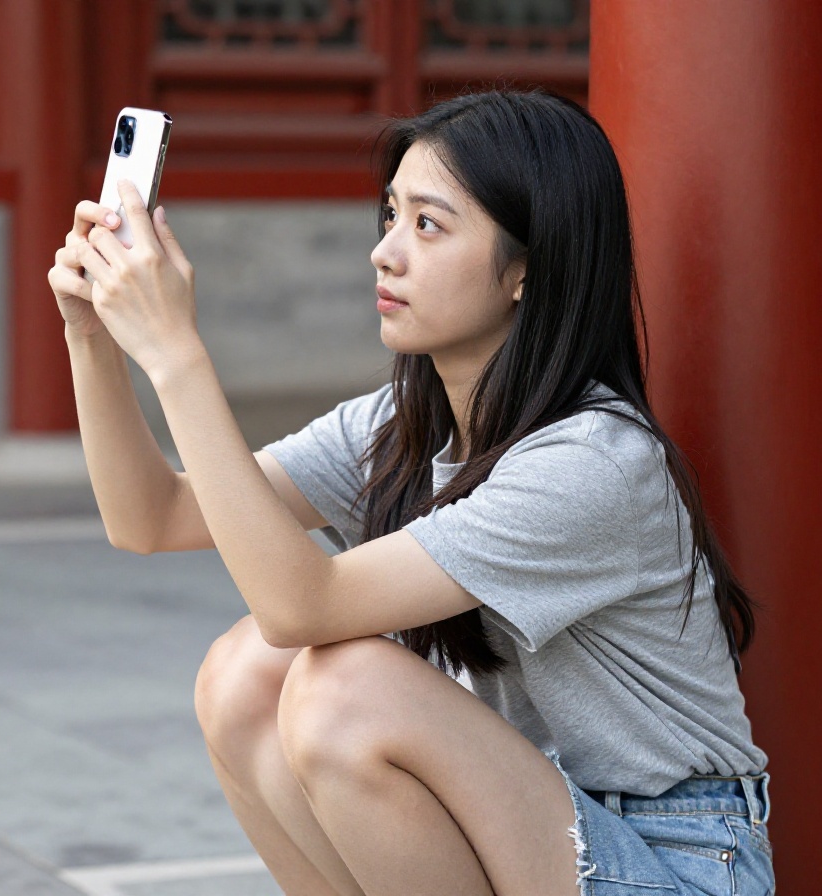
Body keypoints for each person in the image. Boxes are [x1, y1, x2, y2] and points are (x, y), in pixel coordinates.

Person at [47, 87, 775, 896]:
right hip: (539, 826)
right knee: (245, 672)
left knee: (343, 688)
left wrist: (176, 353)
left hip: (679, 861)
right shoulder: (406, 420)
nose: (385, 251)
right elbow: (155, 517)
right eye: (390, 215)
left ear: (528, 268)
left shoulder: (592, 462)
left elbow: (304, 605)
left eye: (427, 225)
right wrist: (93, 337)